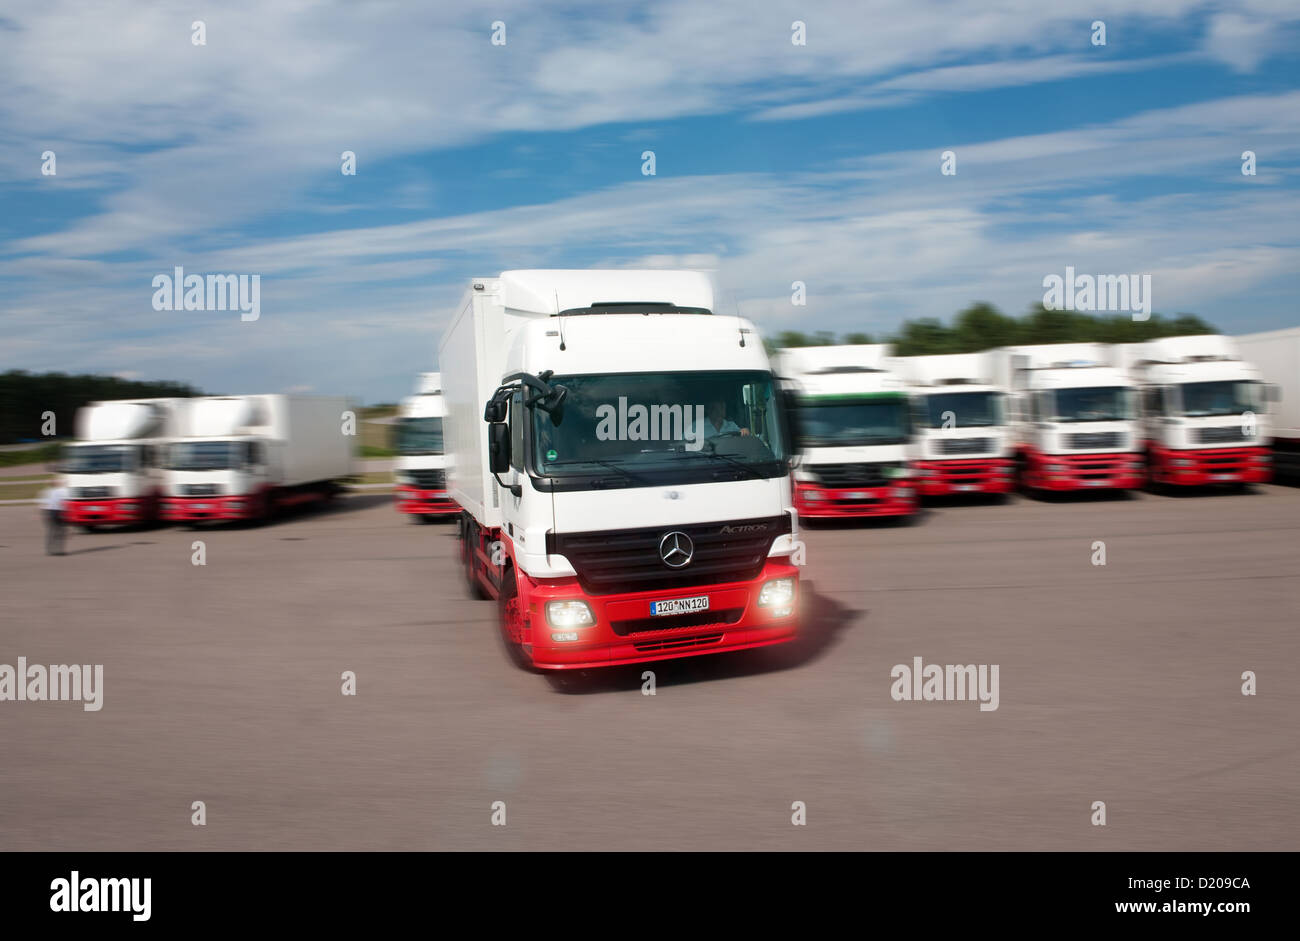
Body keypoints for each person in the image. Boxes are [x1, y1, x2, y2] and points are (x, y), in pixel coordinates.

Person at [40, 480, 69, 556]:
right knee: (60, 531)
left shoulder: (45, 491)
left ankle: (49, 550)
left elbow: (42, 504)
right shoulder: (60, 491)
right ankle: (59, 550)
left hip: (49, 512)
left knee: (51, 532)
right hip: (57, 512)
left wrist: (44, 516)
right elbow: (62, 503)